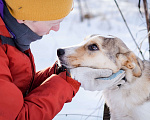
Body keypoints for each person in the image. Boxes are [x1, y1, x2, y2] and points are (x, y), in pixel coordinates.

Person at [0, 0, 124, 120]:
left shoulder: (11, 36)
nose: (57, 28)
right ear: (23, 16)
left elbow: (20, 90)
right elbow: (17, 117)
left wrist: (61, 72)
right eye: (52, 22)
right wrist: (70, 80)